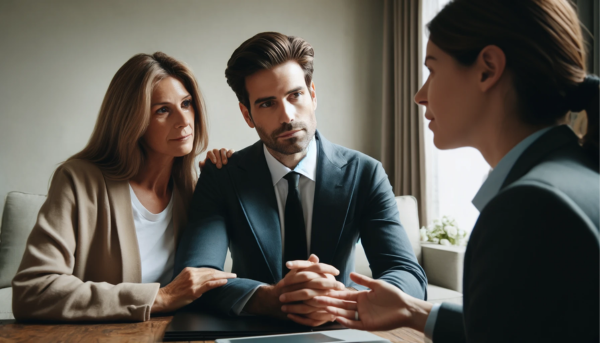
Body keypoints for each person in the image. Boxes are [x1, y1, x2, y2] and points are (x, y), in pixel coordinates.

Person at [312, 0, 600, 341]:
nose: (420, 96)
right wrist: (414, 311)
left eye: (432, 69)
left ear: (487, 69)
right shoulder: (575, 179)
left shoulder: (530, 206)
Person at [174, 32, 427, 327]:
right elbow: (195, 275)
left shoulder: (365, 173)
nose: (287, 115)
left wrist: (336, 301)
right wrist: (271, 299)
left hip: (340, 329)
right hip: (251, 331)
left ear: (313, 95)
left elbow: (407, 274)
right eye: (268, 104)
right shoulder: (222, 177)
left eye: (295, 95)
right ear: (247, 114)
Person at [12, 52, 235, 322]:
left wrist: (224, 180)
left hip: (176, 333)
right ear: (132, 120)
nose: (183, 120)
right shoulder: (78, 181)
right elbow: (32, 291)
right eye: (162, 110)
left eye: (186, 103)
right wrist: (160, 297)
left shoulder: (191, 189)